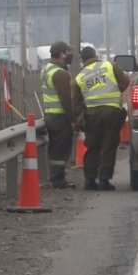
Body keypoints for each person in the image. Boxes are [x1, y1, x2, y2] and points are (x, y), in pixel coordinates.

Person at [75, 46, 131, 191]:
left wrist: (79, 121)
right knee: (108, 145)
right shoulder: (109, 66)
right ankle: (104, 180)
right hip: (111, 112)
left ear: (82, 60)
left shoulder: (79, 77)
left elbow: (76, 102)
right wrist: (114, 92)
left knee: (92, 146)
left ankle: (89, 180)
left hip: (91, 114)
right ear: (96, 55)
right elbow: (125, 82)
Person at [41, 41, 82, 189]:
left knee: (55, 148)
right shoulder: (60, 74)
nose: (70, 55)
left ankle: (55, 177)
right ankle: (58, 180)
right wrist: (73, 119)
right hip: (60, 117)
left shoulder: (47, 69)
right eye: (67, 52)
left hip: (50, 115)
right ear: (61, 54)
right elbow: (66, 99)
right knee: (61, 148)